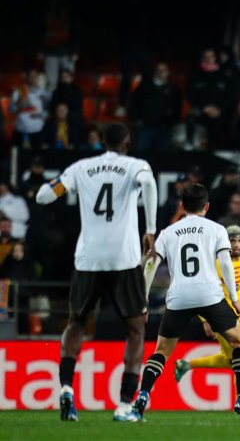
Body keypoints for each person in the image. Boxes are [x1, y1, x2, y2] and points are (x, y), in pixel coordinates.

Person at [34, 123, 158, 422]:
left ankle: (66, 389)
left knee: (76, 322)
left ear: (102, 141)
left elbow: (42, 197)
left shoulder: (81, 168)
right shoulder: (135, 165)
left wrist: (58, 186)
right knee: (136, 329)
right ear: (127, 142)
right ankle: (125, 404)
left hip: (88, 259)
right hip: (123, 261)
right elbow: (150, 185)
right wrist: (151, 229)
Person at [132, 184, 240, 421]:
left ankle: (143, 395)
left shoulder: (168, 232)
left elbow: (150, 265)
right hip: (210, 296)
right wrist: (234, 298)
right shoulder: (217, 229)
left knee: (162, 351)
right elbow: (227, 265)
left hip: (178, 297)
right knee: (239, 343)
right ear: (206, 207)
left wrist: (143, 301)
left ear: (182, 206)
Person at [174, 225, 240, 388]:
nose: (236, 245)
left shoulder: (239, 261)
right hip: (222, 317)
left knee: (231, 360)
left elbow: (237, 286)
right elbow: (203, 289)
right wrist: (205, 319)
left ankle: (186, 365)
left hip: (237, 317)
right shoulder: (218, 263)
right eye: (232, 241)